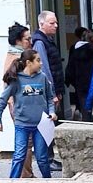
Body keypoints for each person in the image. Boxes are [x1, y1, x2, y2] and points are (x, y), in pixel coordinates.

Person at [0, 48, 55, 179]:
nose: (41, 63)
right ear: (29, 62)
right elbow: (2, 100)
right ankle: (12, 182)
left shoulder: (42, 78)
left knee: (42, 157)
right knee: (19, 156)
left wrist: (52, 112)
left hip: (40, 125)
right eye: (38, 60)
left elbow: (50, 97)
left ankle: (48, 182)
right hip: (22, 125)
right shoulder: (16, 80)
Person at [32, 9, 65, 170]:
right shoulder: (40, 42)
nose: (56, 26)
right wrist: (52, 93)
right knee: (47, 124)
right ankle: (46, 159)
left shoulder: (47, 40)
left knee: (50, 124)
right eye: (52, 23)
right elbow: (44, 69)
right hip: (47, 93)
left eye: (56, 22)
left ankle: (48, 158)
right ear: (42, 24)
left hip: (53, 90)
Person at [2, 23, 34, 178]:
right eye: (27, 39)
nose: (31, 41)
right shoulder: (17, 59)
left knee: (25, 141)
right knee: (26, 141)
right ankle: (25, 175)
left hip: (17, 103)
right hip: (19, 104)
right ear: (18, 41)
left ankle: (24, 174)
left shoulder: (13, 55)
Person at [65, 28, 93, 117]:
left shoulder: (74, 49)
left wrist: (68, 80)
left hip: (79, 81)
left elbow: (70, 66)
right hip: (92, 81)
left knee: (83, 105)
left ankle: (85, 119)